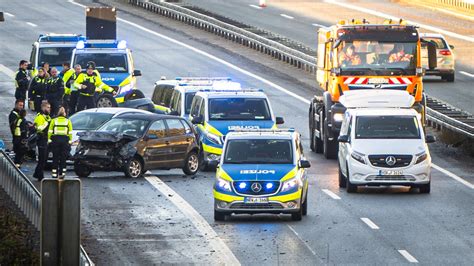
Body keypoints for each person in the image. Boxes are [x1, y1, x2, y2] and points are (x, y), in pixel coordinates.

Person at [48, 107, 72, 179]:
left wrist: (49, 140)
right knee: (63, 158)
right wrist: (69, 142)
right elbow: (70, 132)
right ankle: (62, 174)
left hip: (55, 140)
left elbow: (50, 131)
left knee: (55, 157)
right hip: (65, 140)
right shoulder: (68, 121)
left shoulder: (54, 120)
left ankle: (54, 174)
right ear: (64, 113)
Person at [33, 102, 51, 180]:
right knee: (42, 158)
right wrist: (46, 124)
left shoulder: (47, 117)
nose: (49, 109)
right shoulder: (39, 117)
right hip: (41, 139)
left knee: (44, 159)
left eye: (49, 107)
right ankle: (39, 175)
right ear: (43, 108)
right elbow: (38, 128)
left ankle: (37, 173)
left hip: (46, 139)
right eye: (47, 107)